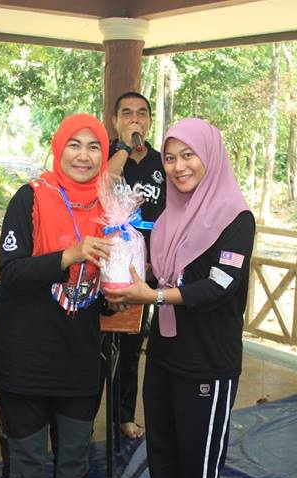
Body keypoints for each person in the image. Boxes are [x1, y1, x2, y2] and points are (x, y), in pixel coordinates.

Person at [106, 118, 256, 478]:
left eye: (188, 155)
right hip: (166, 351)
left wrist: (151, 296)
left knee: (199, 454)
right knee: (164, 446)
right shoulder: (170, 217)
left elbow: (219, 287)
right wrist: (123, 270)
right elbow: (156, 274)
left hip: (209, 358)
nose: (178, 166)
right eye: (170, 158)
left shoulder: (236, 217)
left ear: (210, 156)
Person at [0, 113, 113, 478]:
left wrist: (118, 287)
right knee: (27, 458)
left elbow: (105, 289)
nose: (83, 155)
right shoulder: (31, 197)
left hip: (79, 356)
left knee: (75, 454)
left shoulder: (111, 208)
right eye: (74, 144)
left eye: (94, 146)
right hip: (24, 357)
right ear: (59, 149)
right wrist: (70, 255)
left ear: (103, 155)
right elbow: (11, 271)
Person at [107, 91, 167, 439]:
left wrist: (157, 262)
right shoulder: (107, 157)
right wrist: (124, 149)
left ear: (149, 121)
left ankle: (125, 415)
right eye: (127, 113)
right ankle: (85, 417)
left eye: (141, 113)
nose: (135, 119)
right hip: (112, 266)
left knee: (135, 345)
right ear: (115, 121)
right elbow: (104, 184)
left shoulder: (163, 162)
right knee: (104, 347)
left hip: (153, 268)